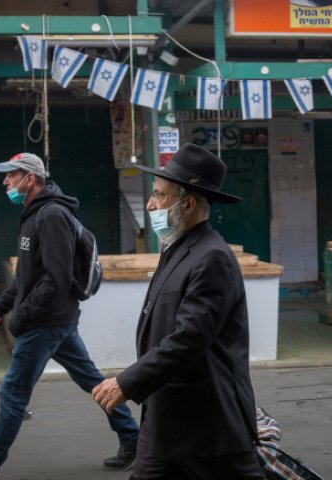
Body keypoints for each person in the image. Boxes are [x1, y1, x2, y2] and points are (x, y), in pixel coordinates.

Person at [0, 153, 139, 480]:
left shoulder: (52, 216)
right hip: (56, 320)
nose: (5, 182)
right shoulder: (32, 214)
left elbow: (56, 280)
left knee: (12, 393)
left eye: (11, 175)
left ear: (29, 178)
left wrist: (19, 319)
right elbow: (26, 276)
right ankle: (134, 438)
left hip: (47, 321)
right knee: (91, 379)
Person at [92, 144, 265, 479]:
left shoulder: (212, 257)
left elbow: (188, 339)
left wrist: (127, 382)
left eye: (159, 195)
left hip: (206, 424)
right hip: (169, 417)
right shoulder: (178, 249)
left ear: (186, 204)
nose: (151, 204)